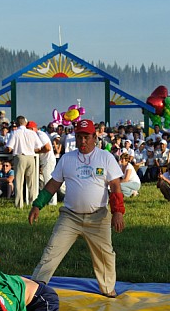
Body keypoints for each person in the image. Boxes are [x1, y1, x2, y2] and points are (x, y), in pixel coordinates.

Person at [28, 119, 125, 298]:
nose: (82, 141)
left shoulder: (105, 157)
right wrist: (37, 205)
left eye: (86, 137)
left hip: (98, 217)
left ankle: (108, 289)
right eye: (79, 137)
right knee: (52, 251)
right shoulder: (67, 159)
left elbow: (115, 186)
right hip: (70, 217)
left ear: (94, 137)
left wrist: (118, 212)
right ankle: (35, 288)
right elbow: (53, 184)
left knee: (105, 255)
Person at [6, 116, 43, 208]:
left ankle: (19, 204)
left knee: (19, 182)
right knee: (31, 182)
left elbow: (9, 148)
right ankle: (33, 202)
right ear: (25, 123)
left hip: (20, 157)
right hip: (31, 157)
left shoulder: (14, 133)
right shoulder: (32, 133)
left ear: (16, 123)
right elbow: (38, 147)